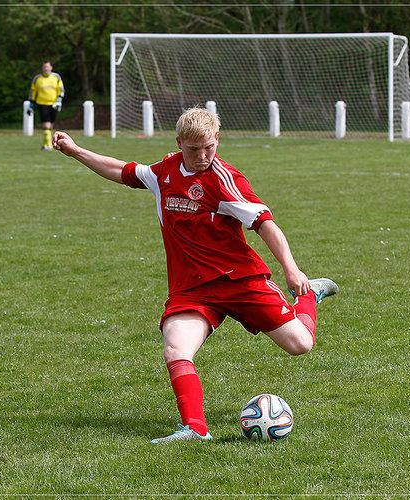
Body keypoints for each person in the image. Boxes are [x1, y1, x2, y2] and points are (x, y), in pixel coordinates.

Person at [53, 107, 339, 444]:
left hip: (239, 281)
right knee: (175, 348)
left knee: (300, 345)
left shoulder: (225, 180)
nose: (202, 156)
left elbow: (266, 224)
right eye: (193, 149)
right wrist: (76, 151)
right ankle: (195, 428)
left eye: (209, 147)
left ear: (217, 140)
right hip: (192, 289)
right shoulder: (165, 172)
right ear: (179, 143)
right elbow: (124, 171)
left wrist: (292, 270)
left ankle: (308, 296)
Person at [27, 61, 64, 151]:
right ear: (42, 68)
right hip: (42, 104)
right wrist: (31, 104)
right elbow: (33, 91)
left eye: (47, 67)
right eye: (44, 67)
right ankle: (48, 145)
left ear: (51, 67)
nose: (46, 69)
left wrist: (59, 100)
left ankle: (45, 143)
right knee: (46, 125)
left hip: (54, 104)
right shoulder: (37, 79)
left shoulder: (56, 77)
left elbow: (61, 89)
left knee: (51, 125)